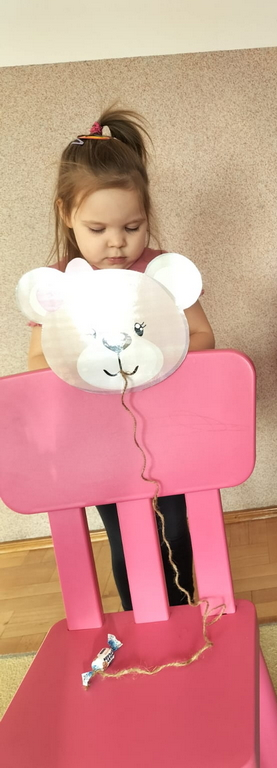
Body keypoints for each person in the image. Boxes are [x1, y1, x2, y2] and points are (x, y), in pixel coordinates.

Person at [27, 107, 215, 609]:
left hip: (167, 431)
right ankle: (140, 618)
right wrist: (90, 371)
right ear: (67, 214)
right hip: (100, 441)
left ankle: (181, 613)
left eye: (132, 226)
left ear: (147, 214)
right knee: (125, 535)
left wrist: (157, 360)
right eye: (98, 228)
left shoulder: (161, 272)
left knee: (175, 528)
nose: (117, 242)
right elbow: (38, 363)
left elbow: (202, 335)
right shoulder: (60, 284)